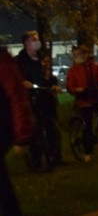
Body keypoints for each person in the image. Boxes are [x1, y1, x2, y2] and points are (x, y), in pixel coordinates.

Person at [0, 45, 33, 216]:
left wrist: (22, 136)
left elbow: (17, 96)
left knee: (1, 188)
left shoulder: (2, 62)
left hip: (1, 127)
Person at [16, 30, 62, 165]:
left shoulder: (43, 58)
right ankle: (35, 159)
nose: (37, 42)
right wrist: (23, 83)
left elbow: (49, 75)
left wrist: (54, 84)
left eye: (37, 39)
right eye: (33, 39)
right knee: (34, 128)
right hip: (30, 97)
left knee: (52, 127)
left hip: (45, 95)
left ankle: (55, 157)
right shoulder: (20, 60)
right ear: (26, 43)